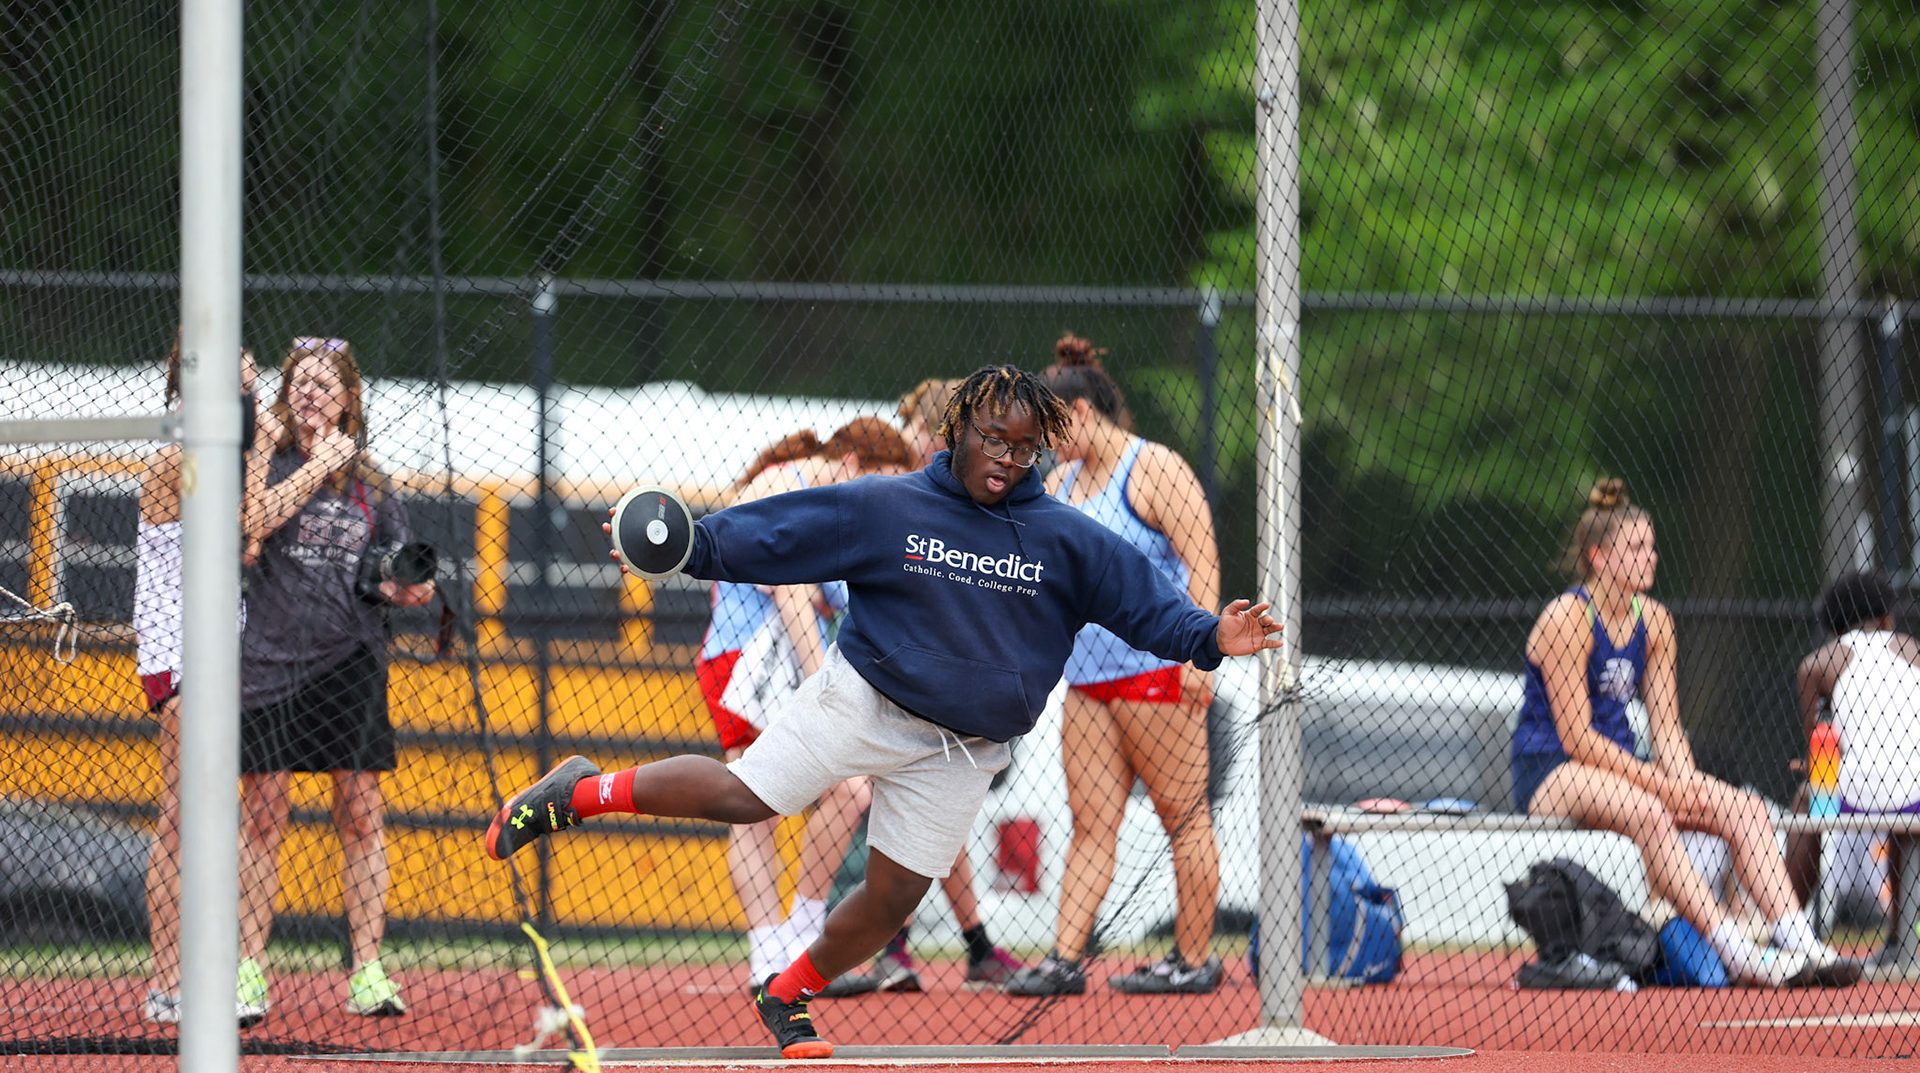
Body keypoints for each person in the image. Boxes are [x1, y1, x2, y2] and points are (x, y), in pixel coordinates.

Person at [482, 364, 1285, 1058]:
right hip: (863, 698)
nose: (1004, 458)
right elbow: (780, 535)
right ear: (955, 430)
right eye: (990, 439)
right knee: (745, 797)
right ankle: (576, 795)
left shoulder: (1065, 537)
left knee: (894, 900)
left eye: (1021, 446)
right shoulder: (890, 505)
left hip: (964, 749)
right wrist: (686, 544)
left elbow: (1147, 605)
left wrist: (1213, 634)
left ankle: (786, 993)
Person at [1512, 478, 1860, 988]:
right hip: (1552, 772)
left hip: (1620, 774)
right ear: (1599, 556)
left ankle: (1804, 946)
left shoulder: (1654, 621)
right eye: (1635, 548)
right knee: (1653, 811)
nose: (1650, 557)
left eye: (1651, 546)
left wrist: (1689, 786)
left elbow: (1668, 728)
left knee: (1742, 808)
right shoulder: (1568, 617)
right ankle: (1738, 953)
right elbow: (1576, 738)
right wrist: (1664, 788)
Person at [1003, 335, 1223, 997]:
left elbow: (1203, 561)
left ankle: (1192, 960)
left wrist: (1202, 659)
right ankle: (1065, 960)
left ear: (1084, 411)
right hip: (1090, 682)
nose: (1046, 444)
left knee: (1184, 818)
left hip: (1157, 673)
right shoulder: (1061, 484)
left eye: (1052, 428)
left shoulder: (1155, 469)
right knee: (1091, 825)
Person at [234, 337, 436, 1020]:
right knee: (263, 815)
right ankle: (248, 971)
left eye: (325, 384)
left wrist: (408, 587)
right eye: (301, 383)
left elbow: (403, 577)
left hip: (350, 662)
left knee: (359, 814)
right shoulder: (265, 460)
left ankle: (368, 970)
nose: (311, 393)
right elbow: (248, 524)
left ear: (349, 399)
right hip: (267, 661)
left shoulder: (373, 485)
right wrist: (315, 465)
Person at [809, 380, 1024, 996]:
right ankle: (855, 945)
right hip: (871, 673)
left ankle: (956, 946)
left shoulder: (945, 487)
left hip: (916, 675)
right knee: (872, 805)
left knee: (929, 813)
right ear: (938, 435)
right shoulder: (898, 479)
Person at [700, 420, 914, 986]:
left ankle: (797, 937)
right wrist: (827, 686)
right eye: (881, 484)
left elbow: (835, 599)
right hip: (747, 663)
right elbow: (793, 595)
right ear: (850, 464)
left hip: (785, 664)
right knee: (756, 805)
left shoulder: (838, 510)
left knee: (845, 793)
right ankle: (772, 951)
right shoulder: (784, 486)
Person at [136, 340, 272, 1025]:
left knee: (236, 816)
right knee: (184, 817)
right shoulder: (177, 455)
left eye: (251, 388)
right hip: (180, 654)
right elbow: (245, 525)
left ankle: (224, 971)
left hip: (231, 649)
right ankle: (168, 982)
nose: (249, 400)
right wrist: (260, 450)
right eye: (239, 388)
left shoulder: (228, 450)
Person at [1789, 571, 1920, 958]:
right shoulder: (1913, 649)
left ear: (1834, 624)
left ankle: (1789, 930)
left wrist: (1818, 768)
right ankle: (1898, 935)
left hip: (1855, 796)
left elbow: (1820, 746)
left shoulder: (1817, 663)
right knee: (1902, 817)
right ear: (1885, 618)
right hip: (1915, 793)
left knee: (1804, 803)